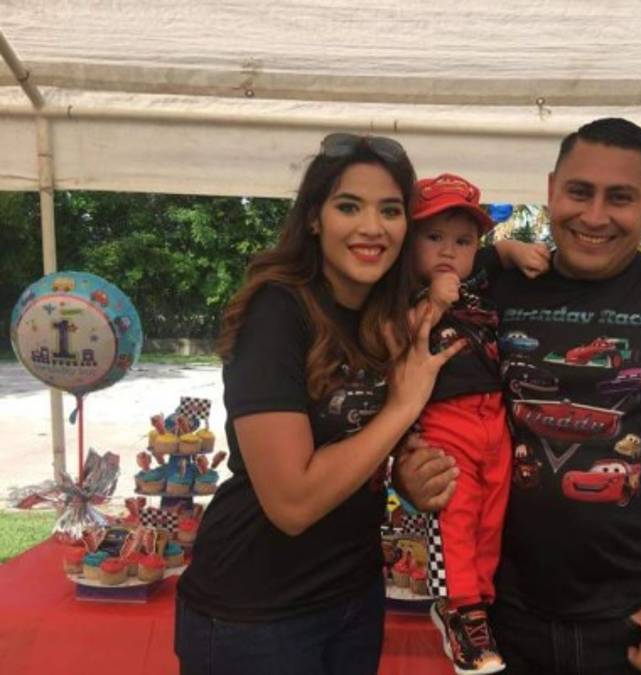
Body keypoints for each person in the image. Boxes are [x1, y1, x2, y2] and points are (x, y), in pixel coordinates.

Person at [395, 118, 641, 675]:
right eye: (579, 192)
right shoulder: (486, 287)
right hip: (500, 617)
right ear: (551, 189)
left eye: (621, 197)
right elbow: (411, 386)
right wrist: (408, 470)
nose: (594, 215)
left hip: (636, 621)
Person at [175, 133, 464, 675]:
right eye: (349, 206)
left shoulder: (388, 315)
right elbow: (293, 503)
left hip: (353, 595)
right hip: (256, 613)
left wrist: (406, 476)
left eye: (390, 210)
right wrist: (401, 407)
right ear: (314, 218)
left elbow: (361, 450)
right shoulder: (277, 312)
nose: (372, 227)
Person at [405, 173, 549, 674]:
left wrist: (514, 251)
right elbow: (396, 339)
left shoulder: (477, 273)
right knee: (456, 515)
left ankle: (478, 607)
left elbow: (496, 253)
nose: (449, 250)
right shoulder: (402, 288)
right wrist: (435, 301)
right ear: (408, 241)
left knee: (492, 516)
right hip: (444, 419)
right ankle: (458, 608)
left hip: (495, 417)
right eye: (434, 237)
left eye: (463, 241)